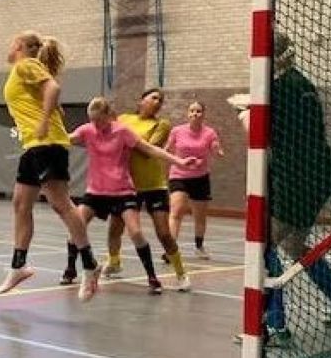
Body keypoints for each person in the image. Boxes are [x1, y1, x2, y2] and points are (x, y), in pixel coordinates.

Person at [235, 32, 331, 346]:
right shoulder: (301, 85)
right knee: (294, 246)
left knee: (263, 245)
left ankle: (273, 325)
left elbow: (260, 137)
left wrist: (246, 115)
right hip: (319, 175)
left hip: (296, 179)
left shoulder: (278, 90)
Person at [0, 31, 101, 301]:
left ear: (18, 45)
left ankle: (90, 264)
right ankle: (18, 266)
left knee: (61, 204)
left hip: (47, 144)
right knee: (21, 204)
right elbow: (46, 95)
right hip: (33, 146)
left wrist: (44, 121)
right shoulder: (25, 69)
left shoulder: (26, 64)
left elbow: (53, 88)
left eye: (11, 43)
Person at [62, 97, 198, 294]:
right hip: (95, 191)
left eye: (99, 120)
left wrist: (179, 162)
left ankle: (153, 277)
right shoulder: (87, 130)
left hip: (122, 191)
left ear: (108, 116)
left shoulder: (123, 131)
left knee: (136, 233)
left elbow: (149, 149)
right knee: (76, 226)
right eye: (92, 120)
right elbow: (65, 139)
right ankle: (70, 269)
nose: (96, 125)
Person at [105, 88, 190, 291]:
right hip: (126, 185)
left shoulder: (162, 124)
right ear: (141, 100)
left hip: (154, 186)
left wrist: (124, 138)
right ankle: (114, 262)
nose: (157, 102)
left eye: (160, 100)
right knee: (114, 229)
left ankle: (181, 273)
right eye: (153, 98)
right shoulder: (124, 119)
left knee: (164, 233)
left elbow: (147, 150)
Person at [166, 101, 224, 259]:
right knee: (176, 211)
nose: (195, 114)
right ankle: (170, 249)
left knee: (199, 216)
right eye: (192, 111)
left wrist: (218, 151)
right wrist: (174, 159)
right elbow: (167, 150)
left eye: (198, 111)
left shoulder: (209, 133)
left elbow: (216, 148)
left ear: (203, 114)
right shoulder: (177, 131)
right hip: (179, 176)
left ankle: (199, 246)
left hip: (200, 177)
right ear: (187, 113)